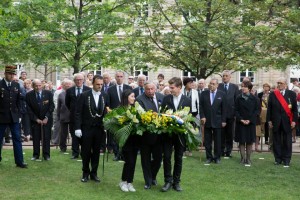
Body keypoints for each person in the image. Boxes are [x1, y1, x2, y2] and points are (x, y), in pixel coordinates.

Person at [74, 75, 108, 182]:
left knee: (96, 152)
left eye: (101, 84)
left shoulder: (104, 95)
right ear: (92, 83)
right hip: (86, 128)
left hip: (99, 129)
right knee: (86, 151)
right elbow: (78, 112)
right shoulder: (84, 95)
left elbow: (105, 112)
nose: (99, 86)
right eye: (97, 84)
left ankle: (94, 173)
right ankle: (85, 173)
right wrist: (78, 128)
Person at [160, 77, 191, 192]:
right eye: (170, 87)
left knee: (179, 158)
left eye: (172, 88)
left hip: (180, 134)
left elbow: (189, 117)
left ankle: (176, 182)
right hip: (168, 133)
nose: (170, 89)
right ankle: (168, 181)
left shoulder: (187, 100)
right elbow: (162, 114)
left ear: (179, 87)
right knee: (167, 157)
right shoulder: (166, 98)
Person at [136, 81, 164, 190]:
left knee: (158, 158)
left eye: (152, 89)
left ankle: (153, 176)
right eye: (147, 89)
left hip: (160, 135)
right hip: (146, 135)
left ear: (156, 89)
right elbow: (143, 115)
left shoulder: (161, 97)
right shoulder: (140, 99)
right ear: (144, 89)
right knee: (145, 159)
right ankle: (147, 181)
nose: (150, 91)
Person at [0, 66, 27, 168]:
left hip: (14, 117)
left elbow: (19, 100)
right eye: (9, 74)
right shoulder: (0, 84)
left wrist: (19, 114)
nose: (11, 76)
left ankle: (19, 161)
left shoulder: (16, 85)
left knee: (17, 139)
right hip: (1, 116)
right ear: (5, 74)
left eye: (13, 74)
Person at [267, 77, 297, 167]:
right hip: (276, 121)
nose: (279, 84)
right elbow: (269, 109)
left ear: (285, 85)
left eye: (281, 83)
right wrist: (269, 120)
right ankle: (278, 159)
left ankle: (287, 159)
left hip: (287, 121)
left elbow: (295, 110)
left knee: (287, 141)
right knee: (276, 141)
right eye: (278, 83)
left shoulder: (291, 94)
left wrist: (294, 121)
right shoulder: (273, 94)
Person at [26, 79, 55, 161]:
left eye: (39, 85)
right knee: (35, 137)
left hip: (47, 120)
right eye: (36, 86)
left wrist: (46, 117)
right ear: (33, 86)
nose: (38, 87)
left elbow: (52, 106)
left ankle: (46, 155)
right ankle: (36, 154)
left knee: (46, 137)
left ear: (42, 85)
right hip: (35, 120)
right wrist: (36, 119)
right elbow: (28, 108)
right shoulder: (29, 95)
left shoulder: (48, 93)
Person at [200, 78, 227, 164]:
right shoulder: (204, 93)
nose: (211, 85)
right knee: (207, 141)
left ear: (217, 85)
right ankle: (209, 157)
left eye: (213, 84)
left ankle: (217, 157)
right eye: (210, 83)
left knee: (217, 140)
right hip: (207, 120)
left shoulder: (222, 94)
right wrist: (202, 116)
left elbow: (224, 109)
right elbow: (201, 106)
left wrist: (223, 120)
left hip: (218, 121)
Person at [106, 71, 132, 161]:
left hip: (126, 115)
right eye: (118, 76)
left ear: (123, 77)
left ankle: (124, 154)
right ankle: (117, 154)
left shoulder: (128, 88)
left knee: (125, 136)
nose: (119, 78)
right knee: (116, 136)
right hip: (115, 116)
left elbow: (131, 101)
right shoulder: (110, 89)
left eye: (121, 76)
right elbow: (107, 104)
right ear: (115, 77)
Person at [65, 73, 91, 159]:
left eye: (80, 79)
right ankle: (75, 153)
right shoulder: (69, 91)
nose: (79, 81)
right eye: (77, 80)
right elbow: (67, 103)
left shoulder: (88, 90)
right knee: (74, 135)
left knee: (84, 136)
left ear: (83, 80)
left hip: (85, 117)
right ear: (74, 81)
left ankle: (84, 153)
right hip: (73, 117)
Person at [119, 89, 139, 192]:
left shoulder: (135, 109)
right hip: (125, 140)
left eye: (134, 96)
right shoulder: (120, 110)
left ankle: (130, 182)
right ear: (126, 97)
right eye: (132, 96)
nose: (134, 98)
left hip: (135, 139)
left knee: (133, 161)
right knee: (129, 161)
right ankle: (123, 181)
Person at [235, 81, 259, 165]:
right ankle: (242, 158)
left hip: (250, 123)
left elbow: (257, 111)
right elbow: (236, 110)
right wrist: (241, 119)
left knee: (249, 142)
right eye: (242, 86)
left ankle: (248, 159)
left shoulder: (255, 98)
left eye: (244, 87)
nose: (242, 88)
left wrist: (250, 120)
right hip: (241, 123)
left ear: (249, 88)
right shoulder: (238, 98)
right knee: (241, 141)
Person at [218, 70, 239, 157]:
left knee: (230, 134)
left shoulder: (234, 87)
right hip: (220, 114)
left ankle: (229, 151)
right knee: (221, 134)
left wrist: (235, 113)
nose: (225, 77)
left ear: (230, 77)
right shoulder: (219, 86)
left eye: (226, 76)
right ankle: (221, 150)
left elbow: (236, 100)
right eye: (223, 76)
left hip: (231, 114)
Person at [57, 79, 73, 152]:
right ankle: (62, 147)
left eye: (69, 84)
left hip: (73, 117)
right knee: (63, 133)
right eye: (66, 84)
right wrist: (58, 116)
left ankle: (74, 147)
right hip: (64, 116)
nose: (68, 85)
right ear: (63, 85)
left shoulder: (74, 93)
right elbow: (58, 106)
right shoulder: (61, 94)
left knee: (73, 133)